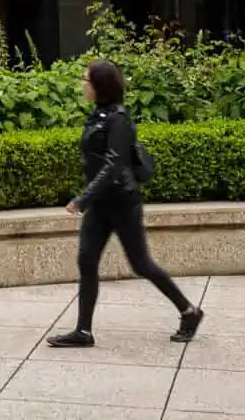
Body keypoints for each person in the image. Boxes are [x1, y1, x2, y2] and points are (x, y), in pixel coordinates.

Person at [47, 59, 205, 348]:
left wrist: (82, 199)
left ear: (100, 85)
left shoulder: (118, 119)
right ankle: (83, 331)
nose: (83, 85)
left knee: (141, 264)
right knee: (86, 260)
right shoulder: (99, 115)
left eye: (87, 80)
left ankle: (189, 311)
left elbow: (113, 166)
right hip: (101, 204)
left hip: (122, 202)